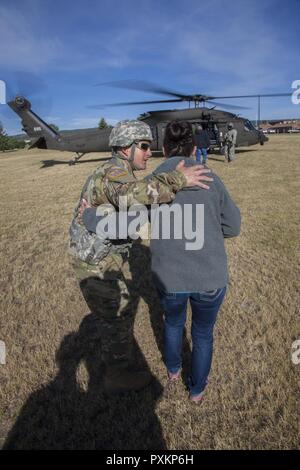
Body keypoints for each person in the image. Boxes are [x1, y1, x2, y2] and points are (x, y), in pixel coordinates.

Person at [68, 119, 213, 395]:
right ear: (125, 149)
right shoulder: (113, 173)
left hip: (102, 256)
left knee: (115, 313)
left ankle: (117, 367)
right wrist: (178, 179)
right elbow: (134, 195)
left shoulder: (117, 171)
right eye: (144, 146)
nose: (150, 152)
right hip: (95, 263)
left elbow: (130, 211)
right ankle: (117, 375)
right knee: (117, 316)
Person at [150, 121, 241, 402]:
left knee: (173, 323)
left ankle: (174, 369)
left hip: (169, 276)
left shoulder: (153, 179)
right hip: (210, 276)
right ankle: (197, 389)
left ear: (164, 148)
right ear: (194, 148)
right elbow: (233, 226)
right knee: (203, 334)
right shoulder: (210, 176)